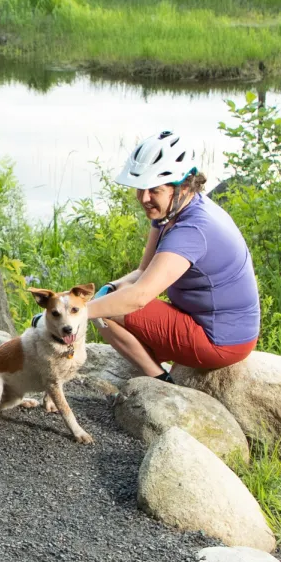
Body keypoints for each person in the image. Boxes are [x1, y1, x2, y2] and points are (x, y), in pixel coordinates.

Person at [85, 130, 260, 380]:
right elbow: (142, 272)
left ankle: (159, 379)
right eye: (140, 189)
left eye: (153, 190)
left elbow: (138, 297)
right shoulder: (172, 212)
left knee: (106, 310)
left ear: (182, 185)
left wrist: (75, 312)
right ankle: (156, 369)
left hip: (220, 342)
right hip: (213, 326)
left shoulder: (191, 229)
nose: (144, 198)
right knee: (109, 299)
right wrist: (111, 287)